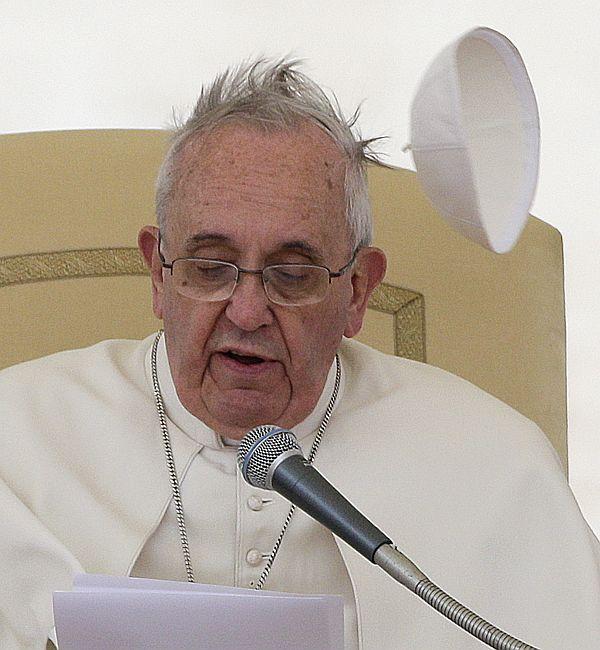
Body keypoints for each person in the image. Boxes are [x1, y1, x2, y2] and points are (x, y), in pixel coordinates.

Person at [1, 59, 600, 650]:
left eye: (292, 275)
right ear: (158, 274)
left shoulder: (493, 466)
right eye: (210, 268)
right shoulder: (17, 441)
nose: (246, 311)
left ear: (358, 290)